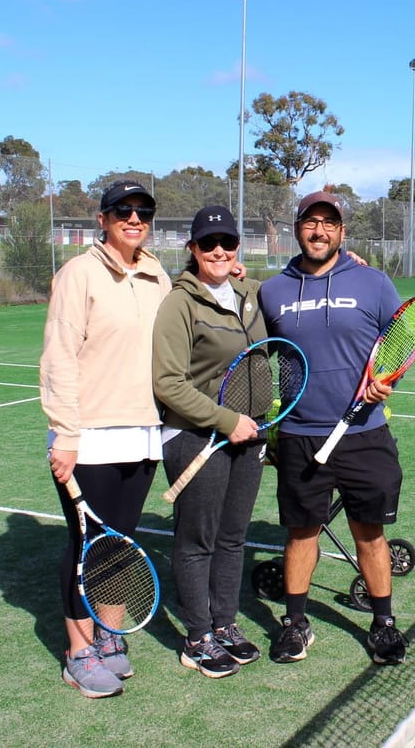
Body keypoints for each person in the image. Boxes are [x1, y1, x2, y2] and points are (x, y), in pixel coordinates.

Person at [258, 190, 409, 666]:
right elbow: (258, 350)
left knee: (369, 533)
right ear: (297, 229)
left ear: (342, 232)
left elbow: (401, 340)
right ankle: (295, 624)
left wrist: (387, 380)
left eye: (329, 223)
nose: (319, 231)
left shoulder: (373, 282)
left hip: (364, 433)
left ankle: (383, 623)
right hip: (300, 434)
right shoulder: (272, 291)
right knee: (302, 534)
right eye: (311, 222)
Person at [40, 180, 171, 698]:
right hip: (88, 437)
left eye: (143, 211)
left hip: (143, 433)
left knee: (120, 545)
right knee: (86, 547)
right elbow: (59, 356)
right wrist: (66, 434)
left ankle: (109, 636)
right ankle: (78, 653)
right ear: (103, 219)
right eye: (123, 210)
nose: (134, 219)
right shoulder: (79, 274)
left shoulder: (157, 275)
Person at [152, 206, 268, 679]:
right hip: (196, 437)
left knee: (233, 537)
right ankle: (197, 636)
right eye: (208, 243)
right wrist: (225, 420)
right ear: (193, 249)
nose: (219, 251)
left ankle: (225, 625)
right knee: (197, 539)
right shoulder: (179, 304)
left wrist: (352, 259)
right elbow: (168, 383)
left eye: (227, 242)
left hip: (249, 435)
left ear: (239, 247)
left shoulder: (250, 293)